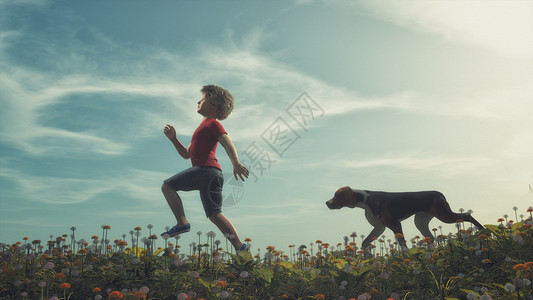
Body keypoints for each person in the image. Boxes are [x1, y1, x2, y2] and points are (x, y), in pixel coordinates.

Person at [161, 85, 250, 252]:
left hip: (206, 171)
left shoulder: (213, 124)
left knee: (167, 186)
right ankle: (240, 247)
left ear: (214, 103)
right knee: (214, 214)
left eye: (202, 99)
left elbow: (227, 143)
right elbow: (187, 154)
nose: (198, 101)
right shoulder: (202, 128)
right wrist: (174, 139)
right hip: (213, 175)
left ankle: (182, 222)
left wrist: (236, 162)